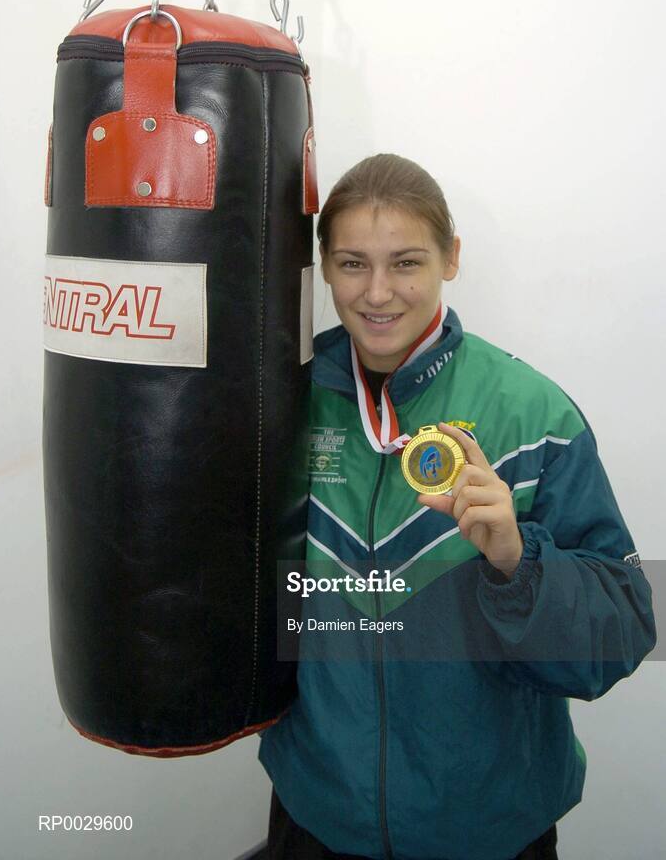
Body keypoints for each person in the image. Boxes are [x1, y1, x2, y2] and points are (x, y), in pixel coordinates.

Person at [258, 153, 657, 860]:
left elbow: (623, 632)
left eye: (406, 262)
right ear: (322, 267)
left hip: (490, 829)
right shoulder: (282, 400)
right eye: (352, 263)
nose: (378, 292)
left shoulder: (532, 415)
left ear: (451, 259)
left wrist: (516, 560)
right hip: (319, 818)